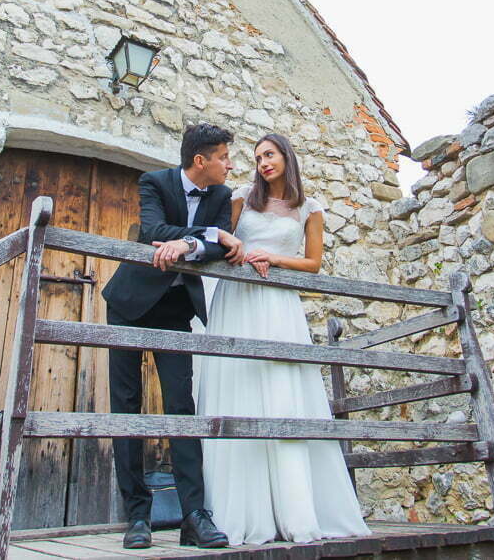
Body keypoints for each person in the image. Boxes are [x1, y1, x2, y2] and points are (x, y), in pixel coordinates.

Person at [195, 133, 371, 545]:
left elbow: (313, 263)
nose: (263, 163)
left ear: (286, 157)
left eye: (269, 155)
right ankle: (240, 511)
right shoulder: (241, 197)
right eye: (258, 158)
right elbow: (219, 241)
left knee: (282, 388)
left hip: (279, 304)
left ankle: (295, 509)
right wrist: (240, 253)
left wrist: (273, 258)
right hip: (237, 298)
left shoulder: (310, 208)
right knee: (239, 386)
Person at [101, 123, 244, 550]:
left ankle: (194, 517)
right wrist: (206, 236)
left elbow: (220, 249)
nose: (229, 165)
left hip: (176, 310)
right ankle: (137, 516)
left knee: (182, 407)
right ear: (201, 160)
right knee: (126, 406)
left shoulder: (221, 196)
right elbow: (152, 231)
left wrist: (190, 245)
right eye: (223, 157)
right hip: (129, 303)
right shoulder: (155, 182)